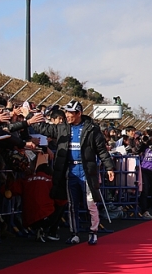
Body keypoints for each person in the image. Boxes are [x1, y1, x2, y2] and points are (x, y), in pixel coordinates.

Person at [31, 100, 115, 245]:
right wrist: (29, 120)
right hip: (70, 170)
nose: (67, 115)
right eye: (66, 112)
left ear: (78, 113)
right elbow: (45, 129)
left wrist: (109, 167)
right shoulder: (62, 127)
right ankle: (74, 233)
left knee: (91, 203)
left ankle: (93, 232)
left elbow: (101, 150)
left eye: (70, 112)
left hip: (87, 171)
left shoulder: (92, 129)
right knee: (72, 204)